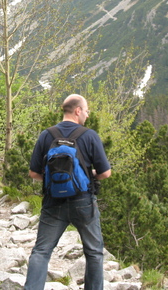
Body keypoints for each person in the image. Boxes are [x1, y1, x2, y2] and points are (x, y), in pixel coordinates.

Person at [24, 94, 111, 290]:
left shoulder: (47, 135)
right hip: (83, 202)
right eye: (86, 111)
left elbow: (33, 173)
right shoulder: (89, 135)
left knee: (41, 251)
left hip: (53, 202)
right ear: (77, 110)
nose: (87, 115)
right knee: (94, 252)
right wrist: (89, 176)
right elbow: (106, 173)